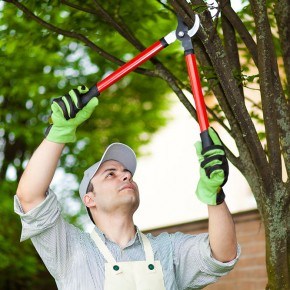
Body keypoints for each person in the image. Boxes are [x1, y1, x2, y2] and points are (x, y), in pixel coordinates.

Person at [15, 86, 240, 290]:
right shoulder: (71, 250)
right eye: (110, 174)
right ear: (89, 199)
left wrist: (215, 196)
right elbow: (30, 197)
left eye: (127, 173)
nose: (124, 175)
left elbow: (222, 254)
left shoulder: (168, 250)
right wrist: (59, 133)